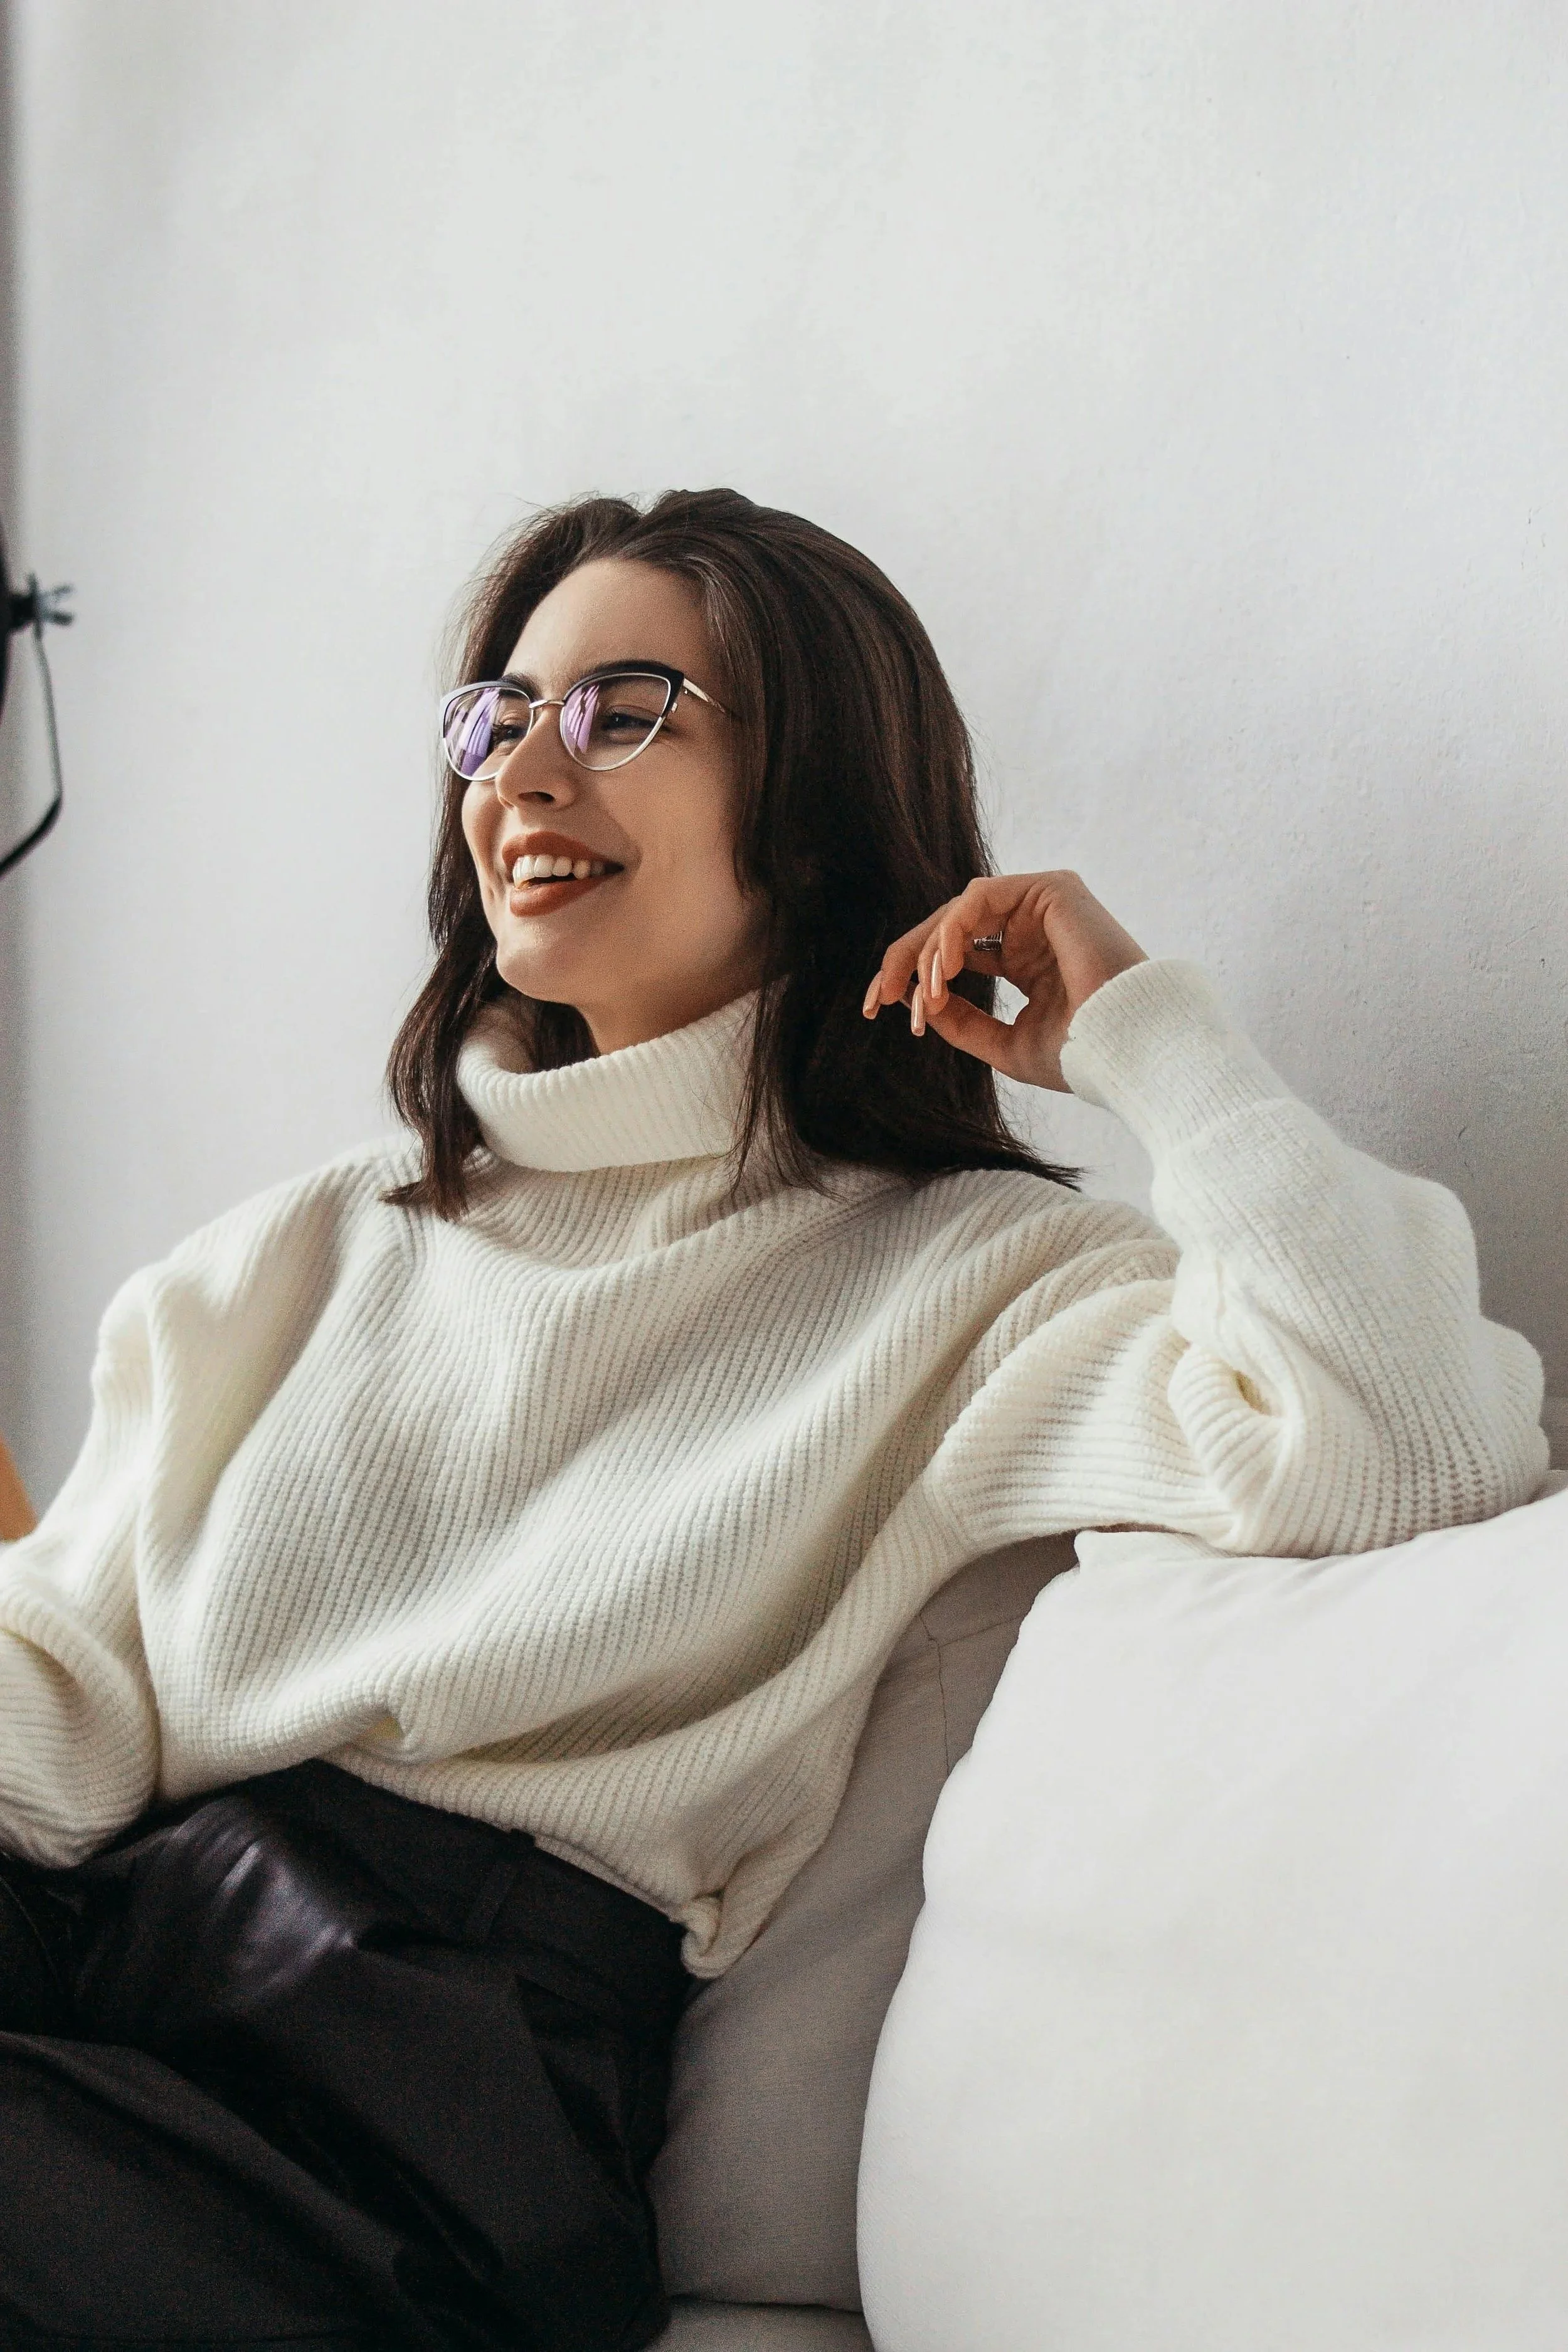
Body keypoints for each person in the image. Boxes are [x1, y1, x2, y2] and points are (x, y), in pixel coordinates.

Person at [0, 487, 1547, 2351]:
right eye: (496, 719)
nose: (523, 774)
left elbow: (1408, 1439)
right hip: (107, 1969)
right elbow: (61, 1685)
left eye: (623, 709)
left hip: (413, 2118)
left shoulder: (973, 1282)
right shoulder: (294, 1256)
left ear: (815, 813)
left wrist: (1146, 1038)